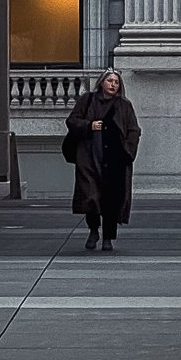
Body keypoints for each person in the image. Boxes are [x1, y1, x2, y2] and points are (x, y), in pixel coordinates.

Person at [63, 68, 141, 252]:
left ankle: (108, 237)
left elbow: (133, 130)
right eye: (110, 81)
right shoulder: (87, 100)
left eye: (116, 82)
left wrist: (128, 152)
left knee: (112, 199)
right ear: (101, 82)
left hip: (115, 160)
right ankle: (93, 229)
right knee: (90, 196)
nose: (113, 85)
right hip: (89, 157)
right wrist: (89, 125)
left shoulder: (124, 105)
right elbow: (72, 121)